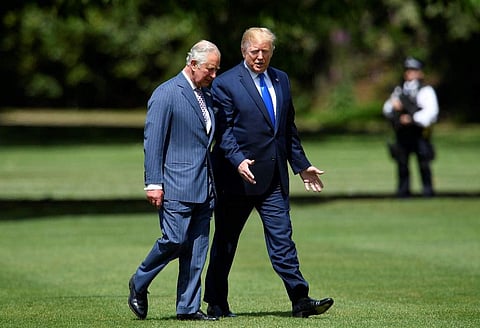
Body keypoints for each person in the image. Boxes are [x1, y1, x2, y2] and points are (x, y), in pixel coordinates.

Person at [204, 27, 334, 319]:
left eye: (265, 51)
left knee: (283, 241)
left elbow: (287, 130)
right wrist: (237, 161)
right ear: (243, 50)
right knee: (225, 241)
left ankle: (300, 299)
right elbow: (223, 133)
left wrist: (301, 165)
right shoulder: (225, 84)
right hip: (236, 179)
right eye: (255, 51)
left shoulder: (281, 79)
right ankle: (215, 302)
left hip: (273, 178)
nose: (260, 57)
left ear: (272, 52)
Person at [127, 40, 221, 321]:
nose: (214, 75)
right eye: (210, 69)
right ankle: (139, 282)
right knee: (174, 240)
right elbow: (153, 141)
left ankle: (188, 308)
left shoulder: (207, 95)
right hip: (176, 185)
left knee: (197, 249)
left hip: (205, 186)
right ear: (193, 64)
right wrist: (153, 182)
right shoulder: (166, 93)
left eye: (217, 70)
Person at [383, 57, 439, 198]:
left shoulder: (425, 90)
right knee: (402, 164)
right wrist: (394, 109)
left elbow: (431, 112)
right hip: (403, 133)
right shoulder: (399, 91)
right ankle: (403, 191)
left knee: (423, 163)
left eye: (413, 70)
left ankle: (427, 191)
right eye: (408, 70)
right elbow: (387, 108)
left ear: (420, 73)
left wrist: (412, 118)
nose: (410, 73)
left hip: (419, 133)